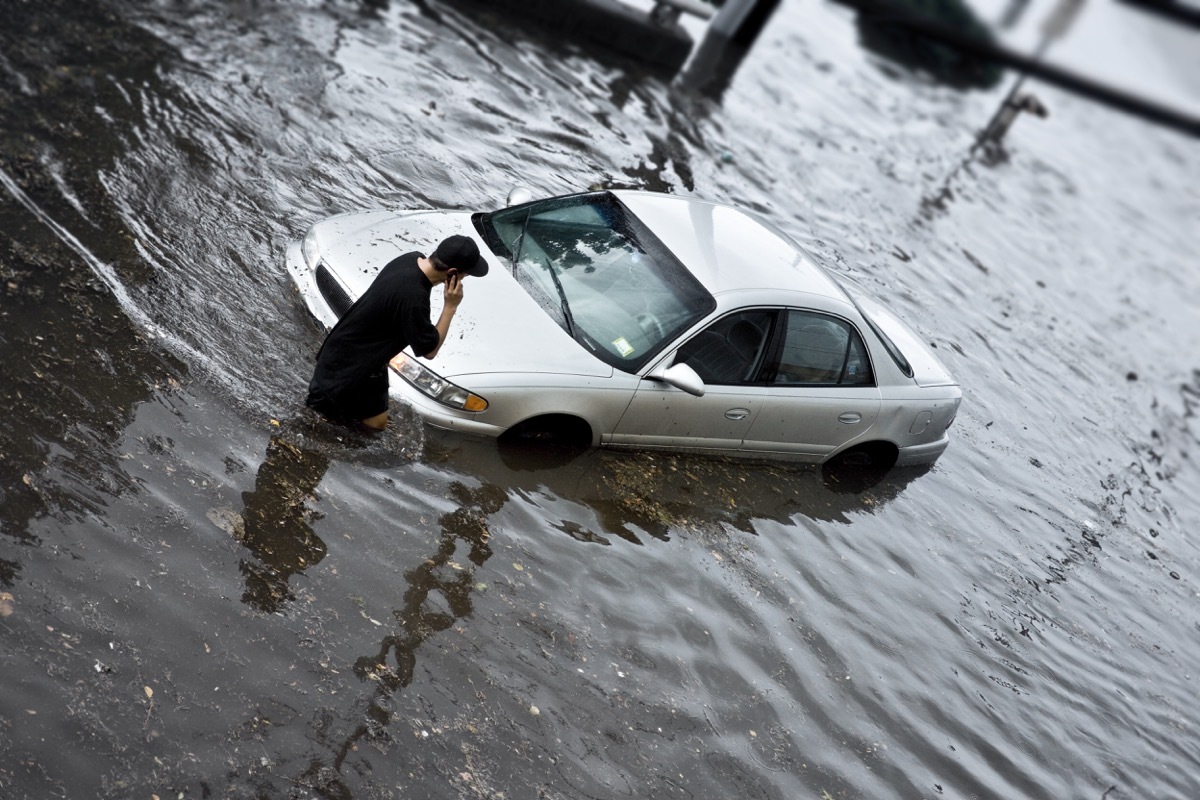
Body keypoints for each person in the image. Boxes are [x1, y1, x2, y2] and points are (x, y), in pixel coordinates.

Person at [305, 234, 488, 430]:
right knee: (315, 425)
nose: (463, 280)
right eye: (465, 275)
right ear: (452, 273)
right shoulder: (414, 297)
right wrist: (450, 306)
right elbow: (430, 350)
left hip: (365, 362)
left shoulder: (409, 259)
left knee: (376, 424)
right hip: (344, 371)